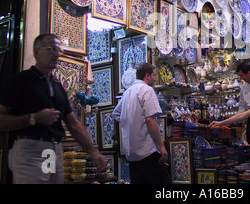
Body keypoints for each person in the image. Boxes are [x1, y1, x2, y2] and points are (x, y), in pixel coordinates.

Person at [0, 33, 106, 184]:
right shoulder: (21, 81)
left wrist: (93, 151)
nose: (57, 54)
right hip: (31, 150)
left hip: (51, 151)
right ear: (37, 52)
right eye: (51, 49)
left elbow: (73, 124)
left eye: (59, 50)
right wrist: (34, 118)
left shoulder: (57, 86)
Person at [112, 62, 171, 184]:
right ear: (147, 76)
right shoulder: (147, 90)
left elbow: (116, 114)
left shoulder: (127, 92)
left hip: (132, 154)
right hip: (148, 151)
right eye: (153, 75)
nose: (154, 79)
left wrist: (131, 121)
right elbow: (150, 120)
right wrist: (161, 146)